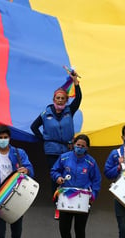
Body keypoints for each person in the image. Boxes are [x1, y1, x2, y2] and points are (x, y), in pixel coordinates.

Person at [30, 71, 81, 219]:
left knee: (68, 175)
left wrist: (76, 82)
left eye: (63, 98)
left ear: (66, 100)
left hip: (67, 149)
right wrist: (44, 139)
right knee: (56, 177)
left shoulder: (69, 111)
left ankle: (68, 202)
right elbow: (34, 127)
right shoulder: (45, 113)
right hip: (51, 150)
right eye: (57, 98)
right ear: (53, 99)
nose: (60, 100)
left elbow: (78, 99)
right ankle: (58, 205)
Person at [51, 134, 102, 238]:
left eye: (82, 146)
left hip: (83, 199)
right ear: (73, 144)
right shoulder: (64, 157)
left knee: (80, 230)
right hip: (66, 197)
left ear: (87, 148)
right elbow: (54, 170)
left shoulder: (91, 162)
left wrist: (93, 195)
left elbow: (96, 180)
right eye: (77, 145)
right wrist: (58, 178)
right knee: (63, 228)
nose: (79, 148)